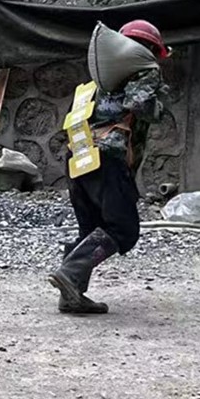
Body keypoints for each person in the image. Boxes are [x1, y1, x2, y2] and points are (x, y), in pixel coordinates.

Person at [49, 20, 170, 315]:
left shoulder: (97, 82)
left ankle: (71, 296)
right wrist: (161, 103)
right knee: (123, 228)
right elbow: (142, 107)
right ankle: (70, 274)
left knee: (91, 227)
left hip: (78, 156)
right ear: (150, 49)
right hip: (108, 159)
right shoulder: (144, 71)